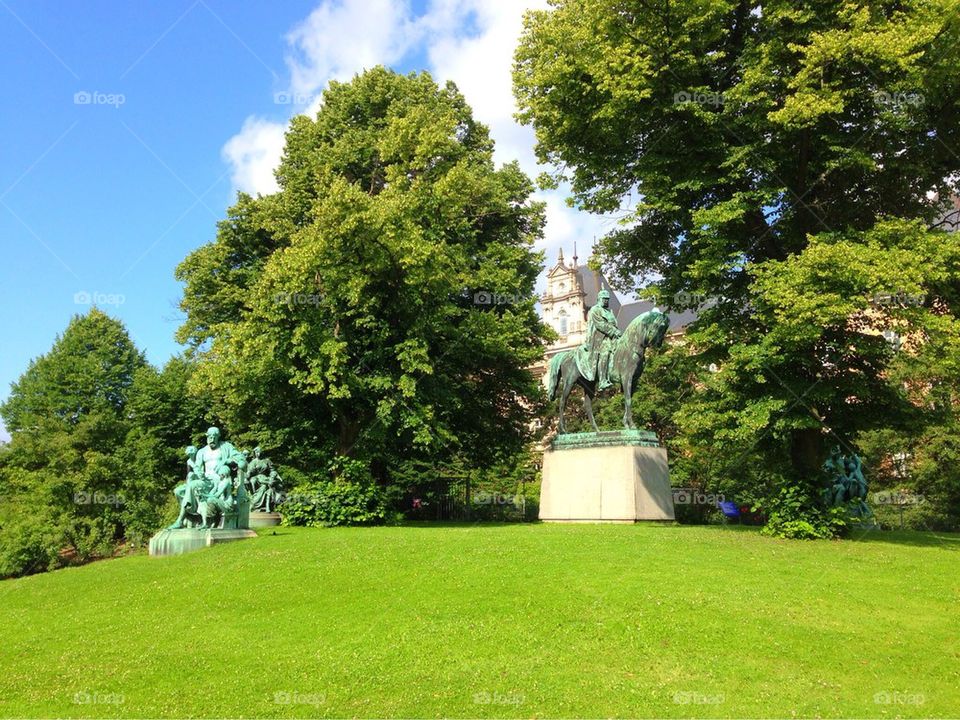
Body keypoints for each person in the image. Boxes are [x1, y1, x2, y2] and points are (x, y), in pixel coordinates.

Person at [583, 290, 622, 390]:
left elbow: (614, 324)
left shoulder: (609, 311)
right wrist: (614, 331)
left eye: (607, 299)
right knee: (605, 352)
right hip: (599, 338)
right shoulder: (595, 310)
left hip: (611, 336)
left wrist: (617, 333)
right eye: (604, 299)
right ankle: (602, 380)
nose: (606, 301)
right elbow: (600, 325)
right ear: (599, 299)